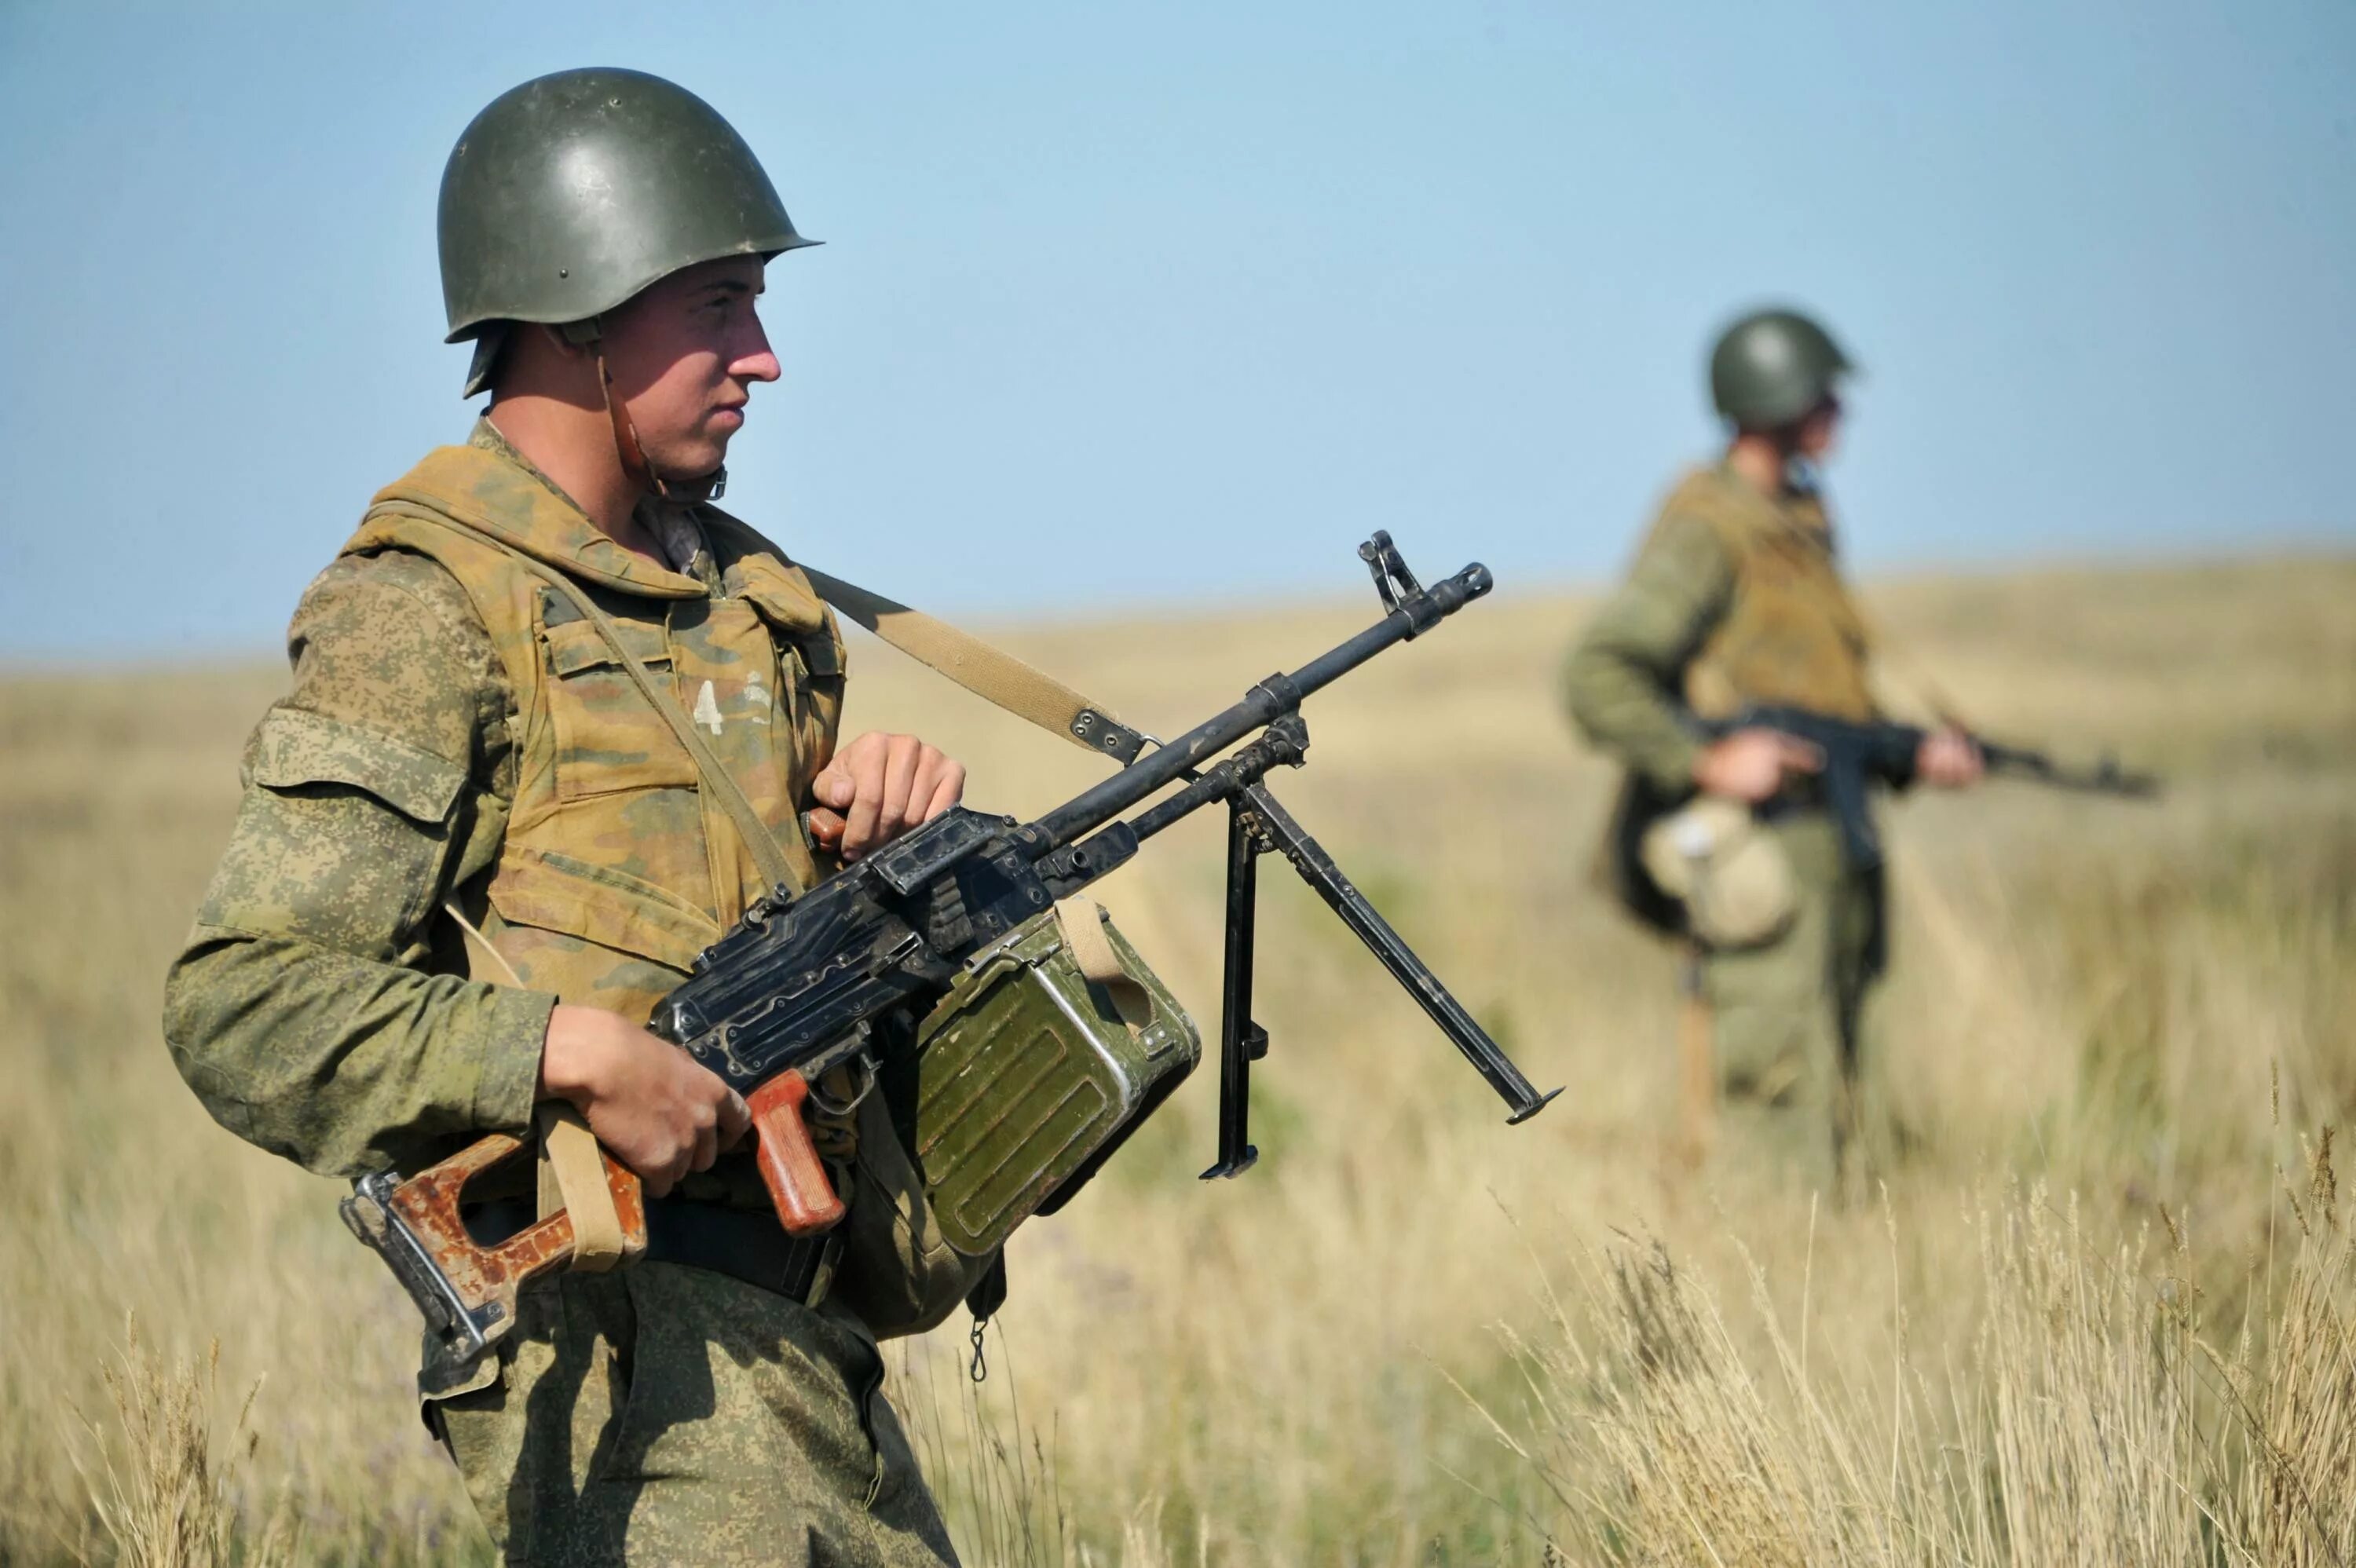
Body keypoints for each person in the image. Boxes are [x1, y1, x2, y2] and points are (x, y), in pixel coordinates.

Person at [164, 68, 982, 1565]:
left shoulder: (752, 611)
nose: (767, 357)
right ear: (581, 313)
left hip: (801, 1353)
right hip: (618, 1374)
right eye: (721, 307)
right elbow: (242, 1005)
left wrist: (879, 834)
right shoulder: (427, 609)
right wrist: (566, 1050)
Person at [1562, 306, 1982, 1193]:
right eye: (1821, 393)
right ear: (1776, 398)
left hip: (1829, 838)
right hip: (1762, 856)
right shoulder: (1711, 526)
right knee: (1776, 1095)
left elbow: (1820, 696)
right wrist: (1705, 762)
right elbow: (1598, 671)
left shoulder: (1794, 518)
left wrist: (1912, 754)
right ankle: (1779, 1285)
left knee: (1841, 1085)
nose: (1839, 411)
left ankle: (1843, 1276)